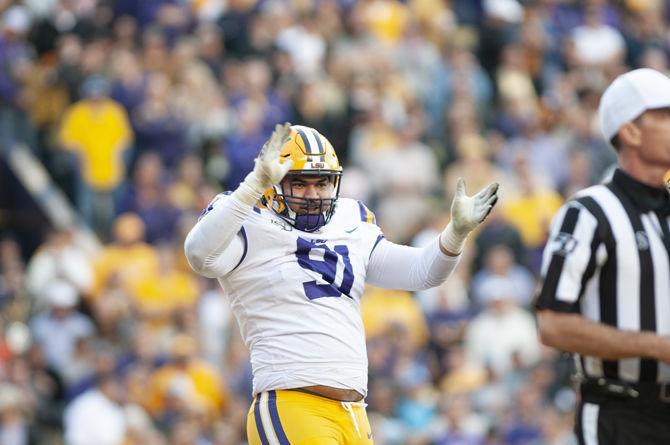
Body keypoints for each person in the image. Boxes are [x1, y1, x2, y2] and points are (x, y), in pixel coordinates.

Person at [184, 123, 499, 444]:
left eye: (321, 183)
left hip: (353, 412)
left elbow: (422, 272)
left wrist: (456, 233)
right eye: (299, 183)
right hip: (294, 403)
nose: (313, 194)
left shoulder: (350, 219)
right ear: (273, 183)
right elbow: (199, 255)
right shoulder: (248, 217)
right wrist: (252, 185)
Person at [535, 68, 670, 444]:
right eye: (664, 115)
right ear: (631, 132)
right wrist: (658, 346)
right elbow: (553, 325)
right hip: (620, 412)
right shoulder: (590, 212)